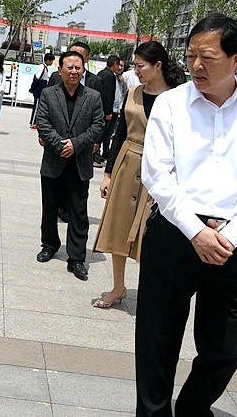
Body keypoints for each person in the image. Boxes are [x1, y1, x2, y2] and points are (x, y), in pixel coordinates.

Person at [137, 14, 237, 415]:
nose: (196, 66)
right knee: (156, 341)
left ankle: (190, 410)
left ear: (236, 59)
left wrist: (229, 235)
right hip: (174, 232)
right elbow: (157, 175)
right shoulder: (170, 104)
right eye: (190, 56)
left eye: (207, 57)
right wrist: (196, 231)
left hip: (235, 240)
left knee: (225, 350)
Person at [92, 41, 185, 308]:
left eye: (140, 65)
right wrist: (108, 173)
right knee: (118, 227)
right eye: (135, 65)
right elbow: (120, 133)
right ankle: (118, 287)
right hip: (128, 163)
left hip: (162, 168)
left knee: (153, 233)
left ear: (158, 66)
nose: (136, 70)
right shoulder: (133, 92)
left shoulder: (178, 97)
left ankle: (152, 291)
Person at [35, 50, 105, 280]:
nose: (74, 71)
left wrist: (75, 144)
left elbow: (98, 126)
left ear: (83, 70)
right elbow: (42, 122)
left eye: (78, 67)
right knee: (50, 207)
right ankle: (49, 245)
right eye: (69, 67)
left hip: (79, 162)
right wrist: (59, 144)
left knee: (78, 211)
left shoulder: (93, 97)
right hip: (53, 160)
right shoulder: (48, 93)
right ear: (60, 70)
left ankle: (76, 258)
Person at [93, 55, 120, 167]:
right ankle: (95, 156)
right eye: (118, 65)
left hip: (98, 108)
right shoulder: (110, 76)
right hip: (105, 110)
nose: (119, 67)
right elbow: (108, 95)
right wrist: (108, 112)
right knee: (101, 134)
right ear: (114, 64)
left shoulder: (101, 73)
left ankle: (96, 155)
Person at [30, 53, 54, 128]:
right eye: (51, 61)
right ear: (47, 60)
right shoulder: (42, 68)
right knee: (36, 106)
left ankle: (35, 122)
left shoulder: (45, 68)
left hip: (40, 89)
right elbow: (37, 78)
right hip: (39, 90)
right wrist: (32, 88)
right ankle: (33, 122)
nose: (52, 63)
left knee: (38, 106)